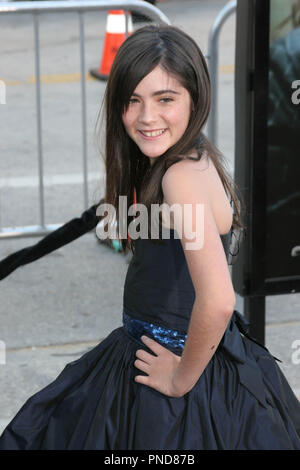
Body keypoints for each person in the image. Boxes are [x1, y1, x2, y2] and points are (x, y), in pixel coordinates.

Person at [0, 24, 300, 450]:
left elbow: (217, 300)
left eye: (165, 99)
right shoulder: (189, 155)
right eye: (132, 100)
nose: (146, 117)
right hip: (177, 352)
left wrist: (179, 379)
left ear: (195, 97)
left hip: (174, 370)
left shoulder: (181, 177)